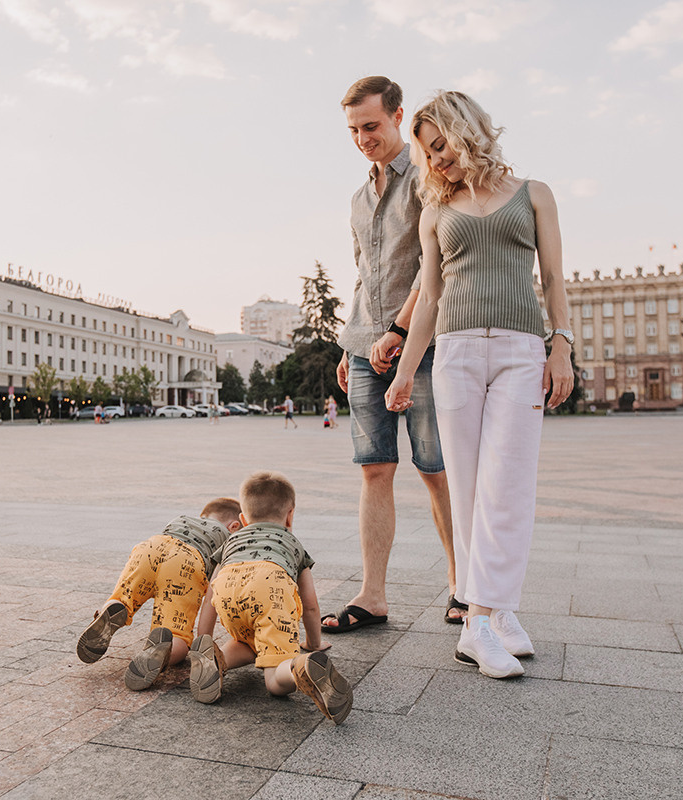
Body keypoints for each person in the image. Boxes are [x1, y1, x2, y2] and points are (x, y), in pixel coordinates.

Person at [385, 90, 575, 679]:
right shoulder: (436, 212)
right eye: (425, 153)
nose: (436, 160)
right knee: (467, 491)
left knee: (508, 486)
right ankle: (485, 618)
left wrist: (561, 345)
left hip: (521, 352)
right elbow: (430, 299)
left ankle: (489, 614)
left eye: (440, 145)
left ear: (469, 132)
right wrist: (406, 368)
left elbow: (553, 279)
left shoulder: (533, 194)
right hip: (457, 354)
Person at [325, 76, 460, 634]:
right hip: (364, 348)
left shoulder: (428, 181)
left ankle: (464, 587)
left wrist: (399, 331)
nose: (363, 139)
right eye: (354, 130)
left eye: (372, 126)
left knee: (436, 470)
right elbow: (364, 276)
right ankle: (372, 595)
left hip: (423, 345)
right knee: (374, 470)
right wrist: (351, 341)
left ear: (399, 115)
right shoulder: (358, 198)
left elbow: (438, 267)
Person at [190, 471, 352, 724]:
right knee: (276, 684)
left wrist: (203, 638)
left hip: (228, 593)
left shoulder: (232, 541)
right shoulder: (292, 543)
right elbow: (309, 605)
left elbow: (211, 591)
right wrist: (314, 643)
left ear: (243, 518)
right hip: (270, 590)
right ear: (290, 515)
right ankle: (300, 668)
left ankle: (217, 660)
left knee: (248, 641)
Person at [76, 498, 243, 690]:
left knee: (122, 598)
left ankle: (113, 610)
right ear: (234, 525)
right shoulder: (228, 539)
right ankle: (163, 651)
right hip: (186, 563)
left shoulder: (182, 520)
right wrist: (203, 640)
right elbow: (212, 593)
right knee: (177, 635)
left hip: (151, 547)